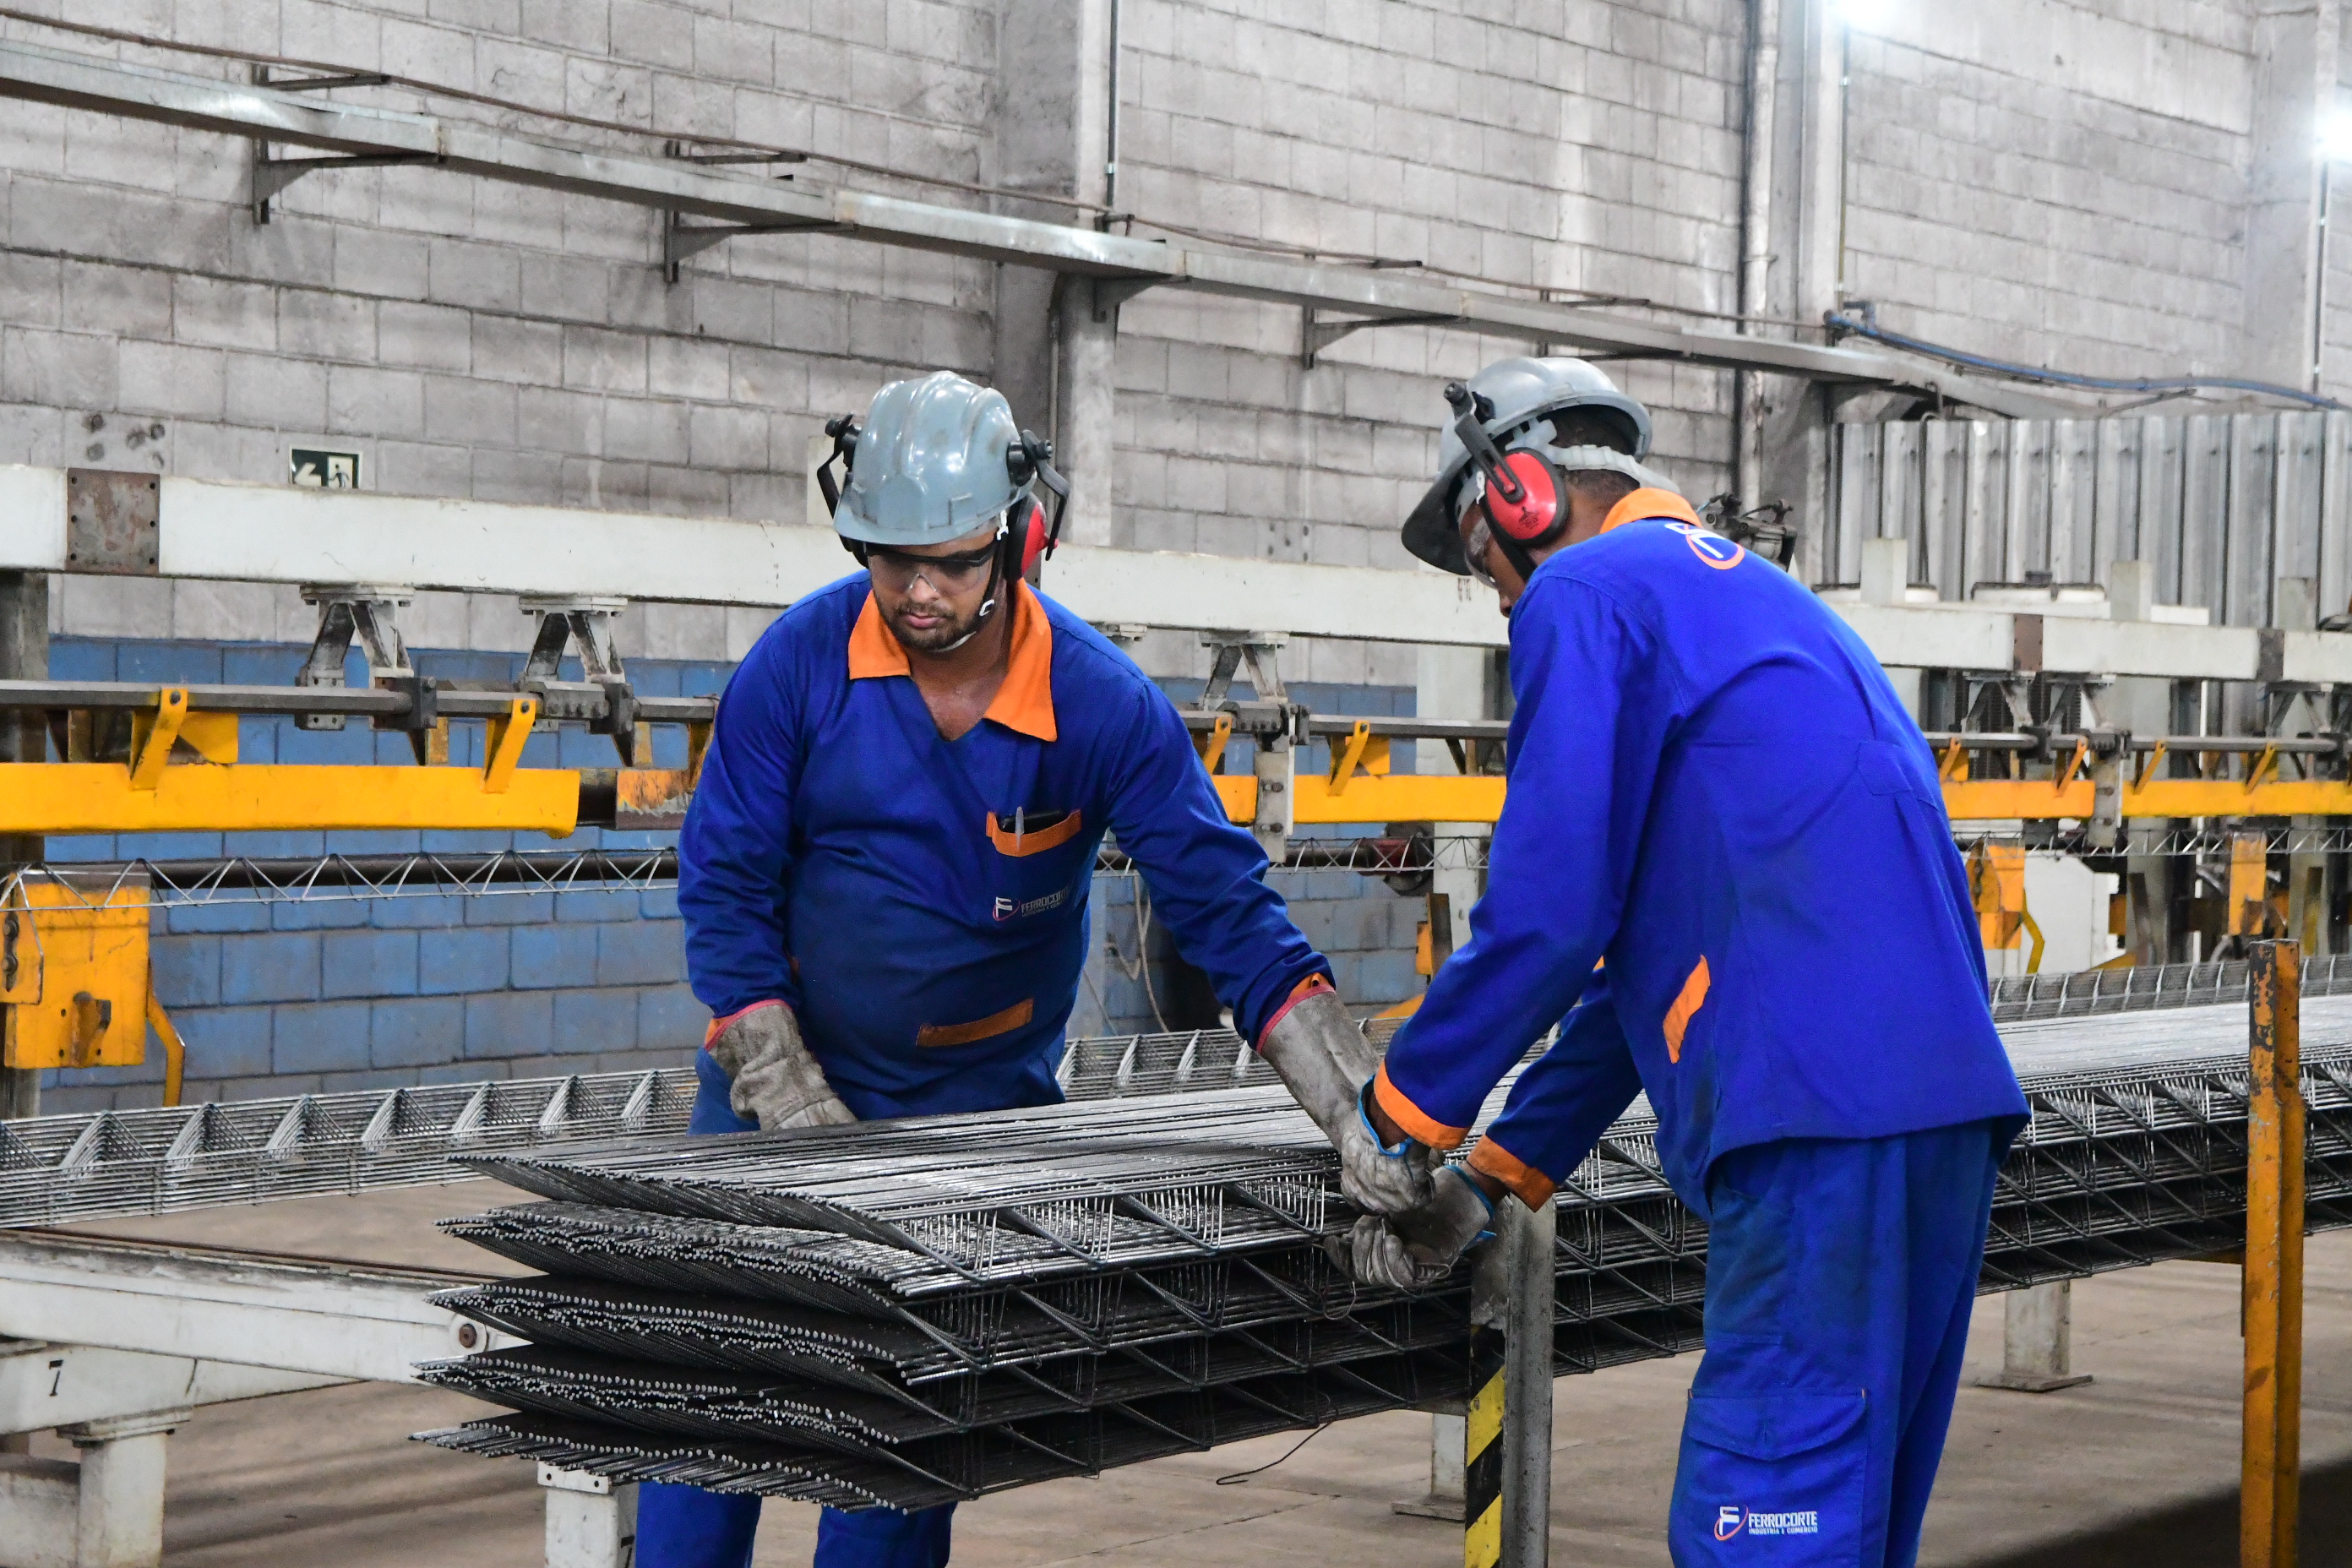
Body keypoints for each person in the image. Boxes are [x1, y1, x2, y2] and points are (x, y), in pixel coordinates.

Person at [655, 370, 1394, 1568]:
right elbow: (725, 886)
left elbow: (1228, 914)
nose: (917, 591)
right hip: (775, 1099)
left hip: (976, 1117)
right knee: (713, 1416)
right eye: (889, 561)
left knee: (897, 1453)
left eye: (948, 560)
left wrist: (1356, 1111)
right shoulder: (796, 669)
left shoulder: (1100, 705)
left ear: (1016, 536)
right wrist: (783, 1092)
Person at [1333, 357, 2028, 1565]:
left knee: (1764, 1520)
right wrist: (1497, 1171)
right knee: (1851, 1522)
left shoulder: (1588, 593)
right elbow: (1653, 963)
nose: (1502, 606)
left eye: (1485, 569)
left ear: (1523, 499)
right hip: (1938, 1118)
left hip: (1810, 1119)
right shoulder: (1776, 608)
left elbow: (1551, 912)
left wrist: (1397, 1116)